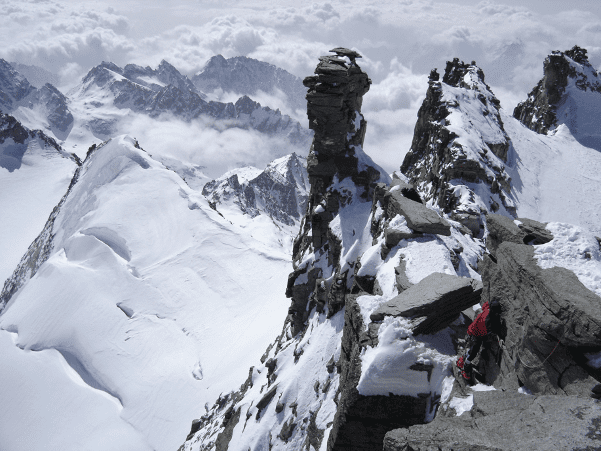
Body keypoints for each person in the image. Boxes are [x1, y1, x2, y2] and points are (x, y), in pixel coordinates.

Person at [456, 299, 504, 381]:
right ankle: (466, 366)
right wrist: (498, 338)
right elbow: (488, 332)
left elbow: (485, 305)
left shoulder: (488, 310)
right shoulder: (487, 320)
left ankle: (462, 360)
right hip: (476, 334)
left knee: (472, 349)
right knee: (474, 352)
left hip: (473, 330)